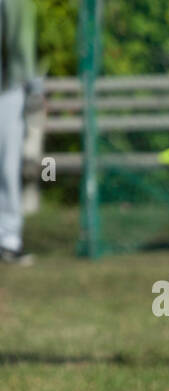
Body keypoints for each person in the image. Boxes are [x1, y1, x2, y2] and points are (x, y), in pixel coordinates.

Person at [0, 0, 39, 265]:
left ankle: (9, 240)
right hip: (9, 88)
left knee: (7, 166)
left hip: (9, 87)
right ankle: (9, 239)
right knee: (7, 165)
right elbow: (18, 46)